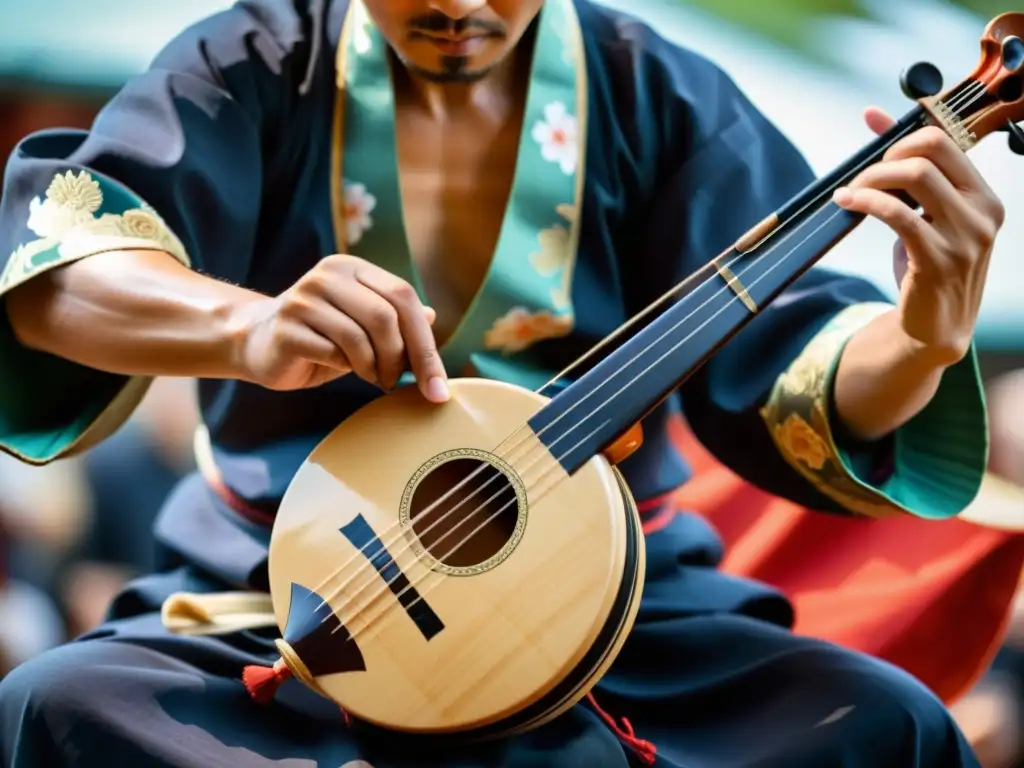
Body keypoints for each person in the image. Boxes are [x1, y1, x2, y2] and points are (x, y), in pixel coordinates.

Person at [0, 0, 1007, 765]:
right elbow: (56, 271)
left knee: (888, 727)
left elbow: (795, 363)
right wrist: (248, 326)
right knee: (57, 704)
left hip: (615, 618)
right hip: (284, 596)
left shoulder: (657, 94)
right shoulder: (255, 61)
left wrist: (919, 339)